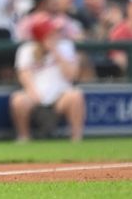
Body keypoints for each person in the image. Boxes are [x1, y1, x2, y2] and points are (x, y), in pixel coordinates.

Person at [9, 14, 85, 142]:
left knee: (76, 96)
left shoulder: (65, 46)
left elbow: (72, 75)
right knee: (18, 100)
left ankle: (76, 138)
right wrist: (37, 99)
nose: (55, 35)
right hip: (35, 99)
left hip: (60, 98)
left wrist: (55, 52)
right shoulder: (26, 50)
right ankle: (24, 138)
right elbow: (24, 77)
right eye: (50, 33)